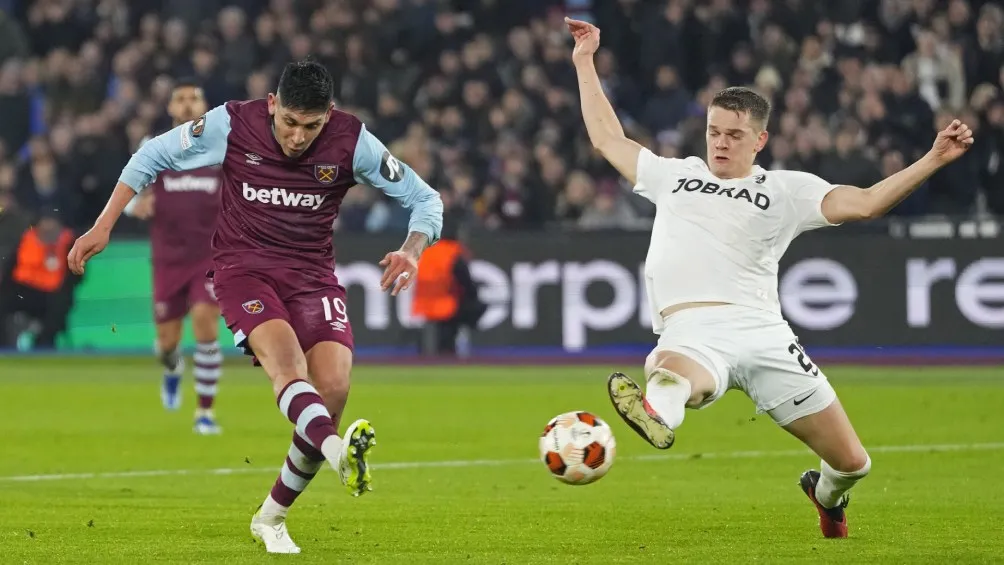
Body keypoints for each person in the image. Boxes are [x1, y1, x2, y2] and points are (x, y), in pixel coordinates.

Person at [564, 17, 974, 539]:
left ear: (760, 139)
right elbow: (606, 135)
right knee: (674, 376)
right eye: (714, 131)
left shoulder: (787, 191)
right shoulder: (675, 176)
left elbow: (868, 204)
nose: (720, 143)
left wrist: (933, 158)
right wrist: (583, 61)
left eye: (734, 135)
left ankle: (825, 495)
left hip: (765, 333)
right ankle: (656, 411)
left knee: (853, 463)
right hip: (693, 327)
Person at [67, 60, 444, 554]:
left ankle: (271, 516)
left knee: (333, 388)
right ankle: (339, 455)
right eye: (289, 122)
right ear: (272, 104)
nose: (297, 137)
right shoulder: (230, 123)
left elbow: (426, 200)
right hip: (243, 270)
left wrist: (411, 250)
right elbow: (149, 156)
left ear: (329, 116)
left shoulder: (355, 143)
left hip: (312, 277)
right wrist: (103, 225)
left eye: (311, 126)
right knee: (287, 367)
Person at [123, 79, 225, 434]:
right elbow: (127, 194)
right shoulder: (154, 148)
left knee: (205, 326)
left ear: (205, 106)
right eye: (179, 100)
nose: (186, 106)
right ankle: (172, 367)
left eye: (193, 99)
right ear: (169, 108)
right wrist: (139, 205)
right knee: (167, 342)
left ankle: (205, 413)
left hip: (209, 257)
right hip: (168, 259)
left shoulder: (222, 147)